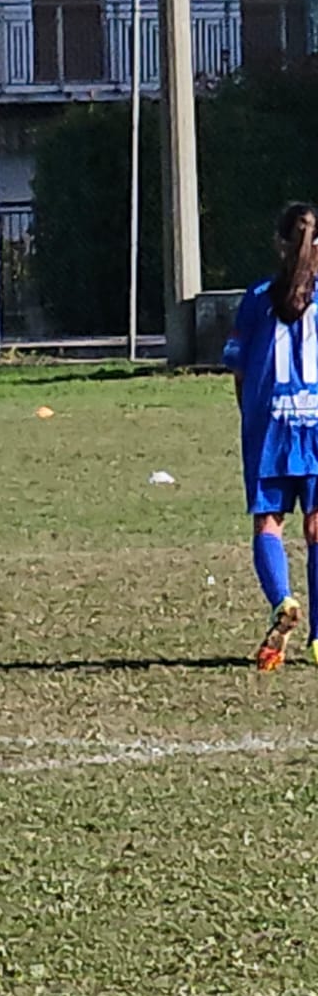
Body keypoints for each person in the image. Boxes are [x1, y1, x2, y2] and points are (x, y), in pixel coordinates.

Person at [223, 201, 318, 671]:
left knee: (268, 524)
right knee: (317, 528)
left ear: (280, 244)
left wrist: (253, 418)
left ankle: (282, 598)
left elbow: (239, 369)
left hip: (270, 427)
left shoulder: (257, 297)